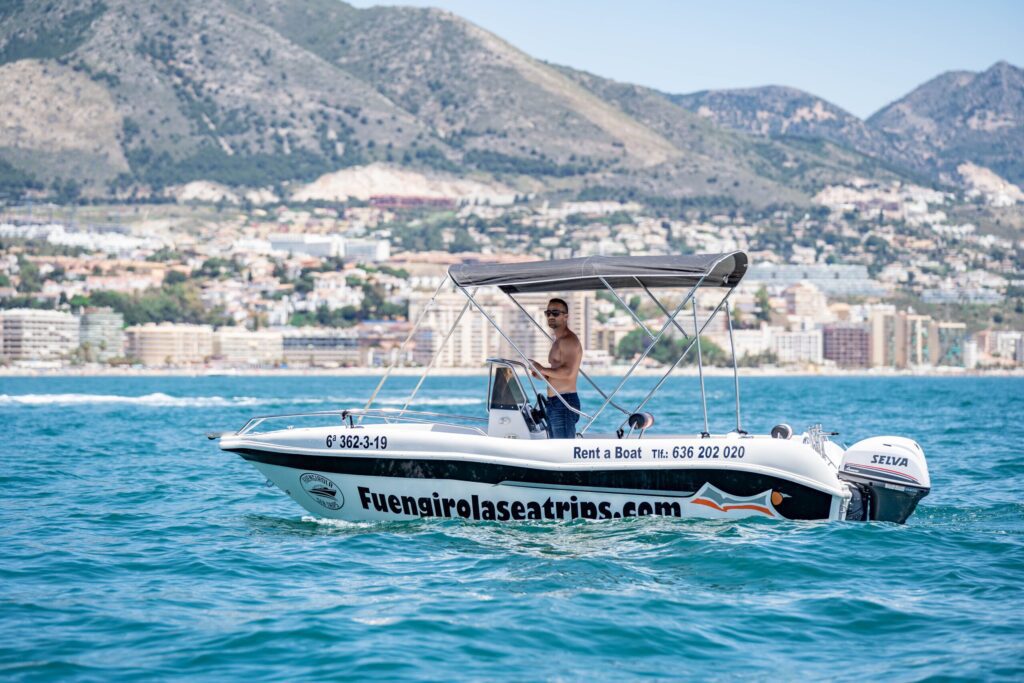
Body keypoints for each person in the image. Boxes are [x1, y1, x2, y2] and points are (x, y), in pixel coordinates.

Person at [529, 298, 583, 439]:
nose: (551, 316)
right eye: (548, 313)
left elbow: (568, 372)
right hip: (554, 402)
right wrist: (543, 376)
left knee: (563, 450)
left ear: (566, 316)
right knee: (556, 447)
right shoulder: (557, 341)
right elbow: (558, 373)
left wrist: (542, 369)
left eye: (555, 312)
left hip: (565, 402)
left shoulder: (569, 340)